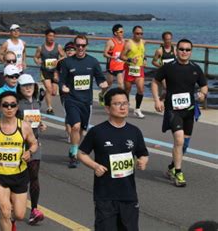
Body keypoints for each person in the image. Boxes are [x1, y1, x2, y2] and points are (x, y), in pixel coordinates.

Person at [78, 88, 149, 231]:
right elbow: (81, 153)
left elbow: (143, 153)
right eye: (117, 104)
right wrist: (95, 166)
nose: (123, 107)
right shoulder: (97, 132)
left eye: (125, 103)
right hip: (105, 195)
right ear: (107, 108)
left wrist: (143, 161)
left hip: (128, 194)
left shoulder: (134, 131)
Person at [151, 39, 208, 187]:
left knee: (184, 145)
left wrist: (203, 94)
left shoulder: (196, 68)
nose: (184, 52)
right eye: (181, 49)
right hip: (172, 110)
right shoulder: (168, 67)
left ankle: (171, 167)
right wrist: (157, 100)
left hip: (189, 111)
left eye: (187, 50)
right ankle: (178, 172)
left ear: (191, 51)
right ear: (176, 51)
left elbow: (204, 86)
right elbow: (155, 82)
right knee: (179, 140)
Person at [0, 91, 38, 231]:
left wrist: (29, 152)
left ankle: (12, 221)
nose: (9, 108)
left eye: (13, 105)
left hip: (20, 174)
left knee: (19, 214)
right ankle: (7, 221)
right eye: (5, 105)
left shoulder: (24, 126)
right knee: (5, 211)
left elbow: (34, 143)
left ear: (17, 107)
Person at [59, 35, 108, 168]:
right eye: (78, 45)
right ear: (74, 46)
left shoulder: (93, 62)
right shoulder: (67, 62)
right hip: (71, 99)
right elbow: (61, 80)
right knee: (75, 126)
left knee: (81, 130)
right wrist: (62, 87)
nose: (80, 48)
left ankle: (73, 149)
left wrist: (103, 84)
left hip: (86, 101)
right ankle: (74, 154)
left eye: (83, 45)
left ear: (86, 46)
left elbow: (100, 78)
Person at [16, 74, 47, 225]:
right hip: (18, 147)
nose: (28, 88)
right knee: (18, 178)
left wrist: (41, 125)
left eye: (31, 85)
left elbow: (35, 121)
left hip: (35, 145)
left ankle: (34, 209)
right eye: (24, 85)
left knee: (34, 177)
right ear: (19, 88)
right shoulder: (16, 104)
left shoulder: (37, 103)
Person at [34, 29, 64, 114]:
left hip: (55, 72)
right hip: (45, 71)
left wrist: (58, 61)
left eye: (53, 36)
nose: (52, 38)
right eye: (50, 36)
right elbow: (36, 57)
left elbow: (64, 56)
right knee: (49, 89)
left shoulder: (58, 46)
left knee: (54, 92)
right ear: (46, 36)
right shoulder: (41, 48)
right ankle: (49, 108)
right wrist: (37, 61)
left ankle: (42, 94)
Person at [120, 26, 147, 119]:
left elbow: (143, 53)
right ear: (133, 33)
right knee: (127, 89)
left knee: (141, 89)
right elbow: (121, 56)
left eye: (141, 33)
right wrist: (130, 59)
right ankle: (126, 105)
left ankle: (137, 109)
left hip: (139, 69)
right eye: (137, 33)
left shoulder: (143, 42)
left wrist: (145, 59)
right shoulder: (128, 43)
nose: (139, 35)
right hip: (129, 68)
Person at [58, 41, 76, 142]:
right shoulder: (61, 62)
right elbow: (56, 73)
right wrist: (59, 81)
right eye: (68, 50)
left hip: (78, 92)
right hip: (64, 92)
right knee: (68, 113)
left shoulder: (80, 62)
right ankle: (70, 134)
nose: (70, 51)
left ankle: (75, 132)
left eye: (72, 49)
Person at [103, 24, 125, 89]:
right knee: (109, 84)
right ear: (115, 33)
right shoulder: (110, 42)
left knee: (121, 84)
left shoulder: (123, 41)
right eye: (121, 32)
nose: (122, 33)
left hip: (120, 66)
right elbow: (104, 54)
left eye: (123, 31)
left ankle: (120, 98)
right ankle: (102, 94)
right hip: (111, 67)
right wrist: (112, 57)